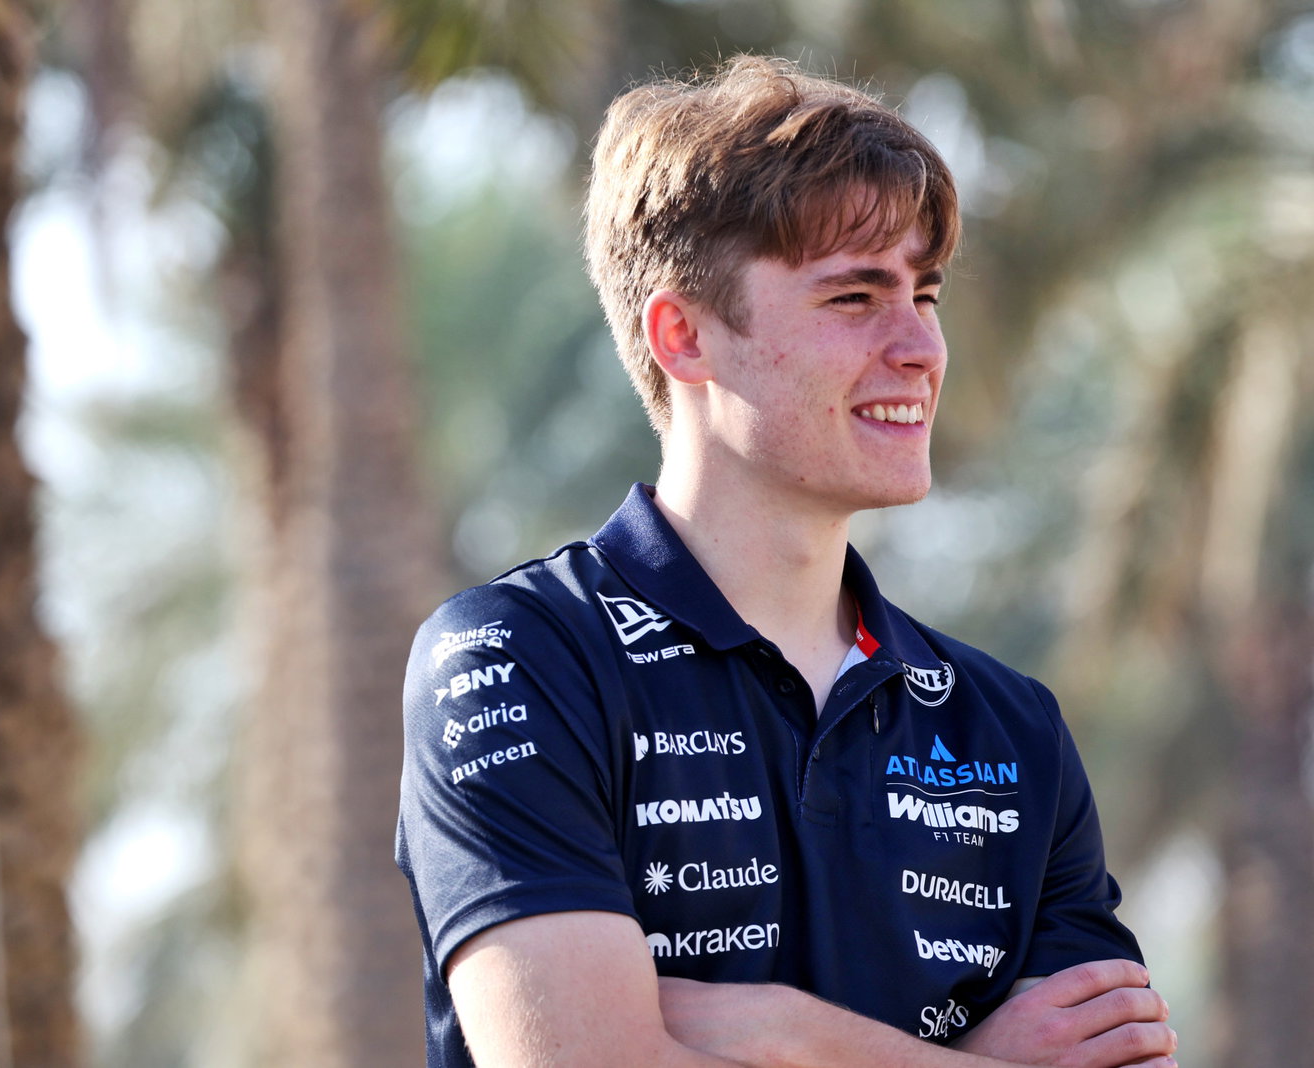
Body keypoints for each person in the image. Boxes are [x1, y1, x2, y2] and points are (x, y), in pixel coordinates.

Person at [396, 55, 1178, 1068]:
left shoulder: (1012, 728)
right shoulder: (519, 660)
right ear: (684, 335)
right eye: (854, 296)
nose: (920, 347)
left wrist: (781, 1034)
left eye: (925, 294)